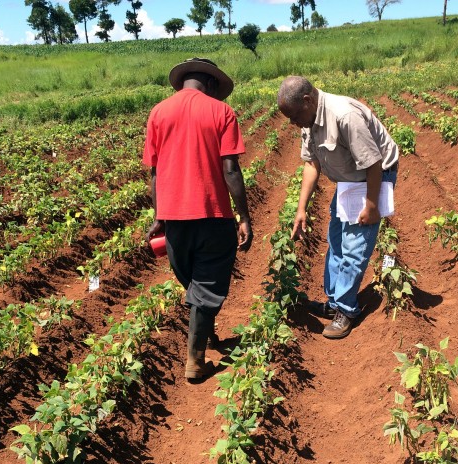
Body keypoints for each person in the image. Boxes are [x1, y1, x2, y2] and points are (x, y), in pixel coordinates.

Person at [143, 58, 253, 380]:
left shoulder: (158, 113)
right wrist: (244, 216)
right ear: (213, 83)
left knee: (195, 282)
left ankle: (205, 332)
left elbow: (154, 172)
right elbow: (230, 169)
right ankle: (195, 360)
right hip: (213, 215)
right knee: (206, 286)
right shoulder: (222, 112)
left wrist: (159, 216)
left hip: (174, 218)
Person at [277, 76, 399, 339]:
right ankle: (334, 303)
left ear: (308, 101)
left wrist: (371, 205)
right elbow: (311, 165)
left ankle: (346, 309)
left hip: (374, 175)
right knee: (336, 239)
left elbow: (373, 164)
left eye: (294, 116)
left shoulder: (344, 116)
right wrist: (301, 209)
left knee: (355, 244)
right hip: (349, 179)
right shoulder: (308, 120)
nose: (292, 123)